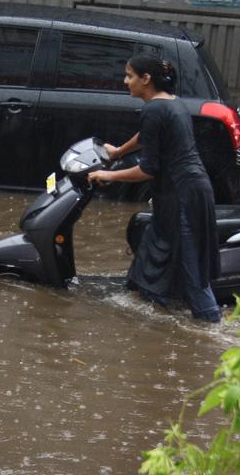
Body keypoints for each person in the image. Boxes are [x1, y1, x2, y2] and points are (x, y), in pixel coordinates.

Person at [88, 54, 221, 322]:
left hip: (182, 195)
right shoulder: (172, 104)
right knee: (151, 245)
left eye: (130, 75)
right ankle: (141, 309)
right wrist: (117, 153)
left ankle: (211, 327)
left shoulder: (154, 109)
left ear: (146, 79)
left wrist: (108, 175)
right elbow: (146, 136)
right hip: (191, 189)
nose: (126, 81)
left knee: (191, 269)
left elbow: (147, 171)